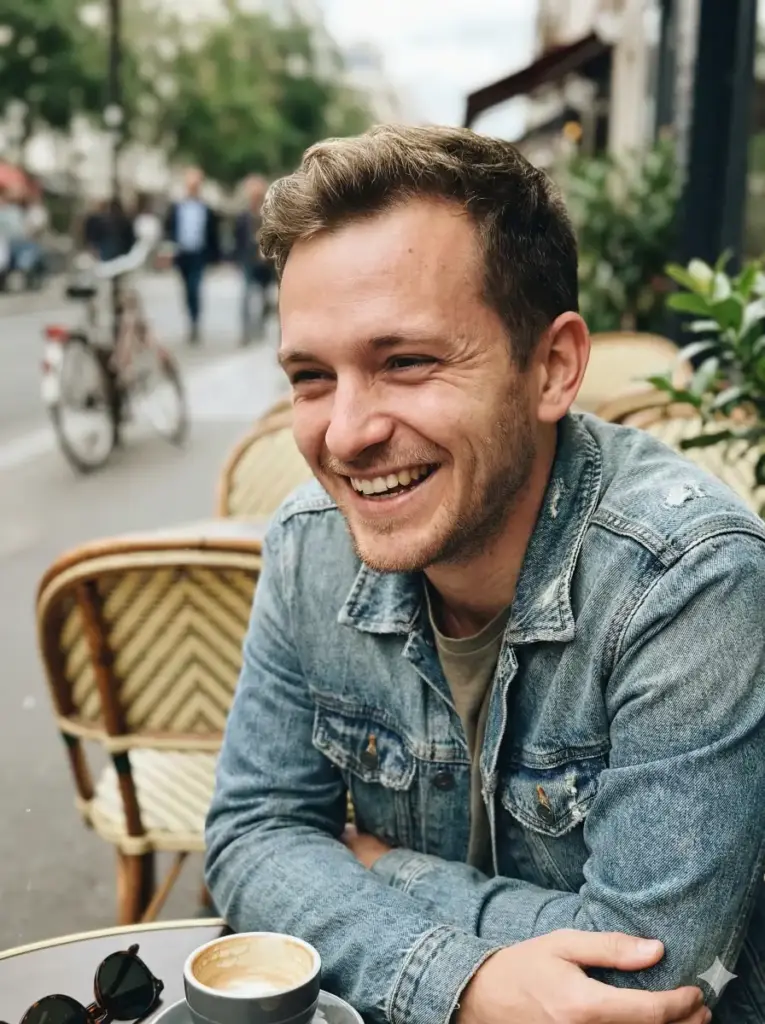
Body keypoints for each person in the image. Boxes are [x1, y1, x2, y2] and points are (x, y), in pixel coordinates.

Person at [205, 126, 765, 1024]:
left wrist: (373, 864)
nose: (344, 433)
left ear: (551, 368)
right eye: (311, 376)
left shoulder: (687, 578)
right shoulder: (308, 544)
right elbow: (251, 833)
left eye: (407, 362)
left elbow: (644, 986)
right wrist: (462, 986)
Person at [164, 167, 220, 343]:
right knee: (186, 289)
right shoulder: (177, 208)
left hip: (199, 254)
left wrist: (215, 256)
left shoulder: (206, 209)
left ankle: (195, 322)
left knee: (195, 288)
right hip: (182, 254)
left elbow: (213, 234)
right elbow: (169, 230)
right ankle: (190, 317)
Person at [234, 174, 275, 345]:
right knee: (246, 296)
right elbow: (238, 239)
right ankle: (245, 332)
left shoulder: (270, 214)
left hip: (266, 263)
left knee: (267, 298)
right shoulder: (243, 216)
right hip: (248, 261)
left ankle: (261, 323)